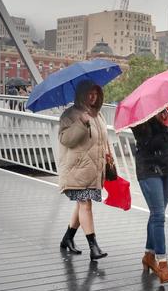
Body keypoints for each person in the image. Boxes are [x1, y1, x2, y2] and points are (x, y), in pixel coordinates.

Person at [58, 80, 109, 261]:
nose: (93, 97)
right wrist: (80, 123)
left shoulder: (98, 115)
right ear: (81, 94)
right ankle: (93, 247)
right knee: (85, 204)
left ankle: (68, 238)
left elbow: (103, 141)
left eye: (96, 93)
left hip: (93, 170)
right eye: (89, 93)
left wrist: (110, 161)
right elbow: (65, 139)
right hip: (77, 169)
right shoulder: (70, 114)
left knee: (82, 205)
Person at [131, 108, 168, 283]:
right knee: (159, 216)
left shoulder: (165, 114)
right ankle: (163, 265)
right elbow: (148, 143)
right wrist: (165, 125)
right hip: (149, 170)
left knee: (156, 214)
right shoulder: (140, 118)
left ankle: (148, 255)